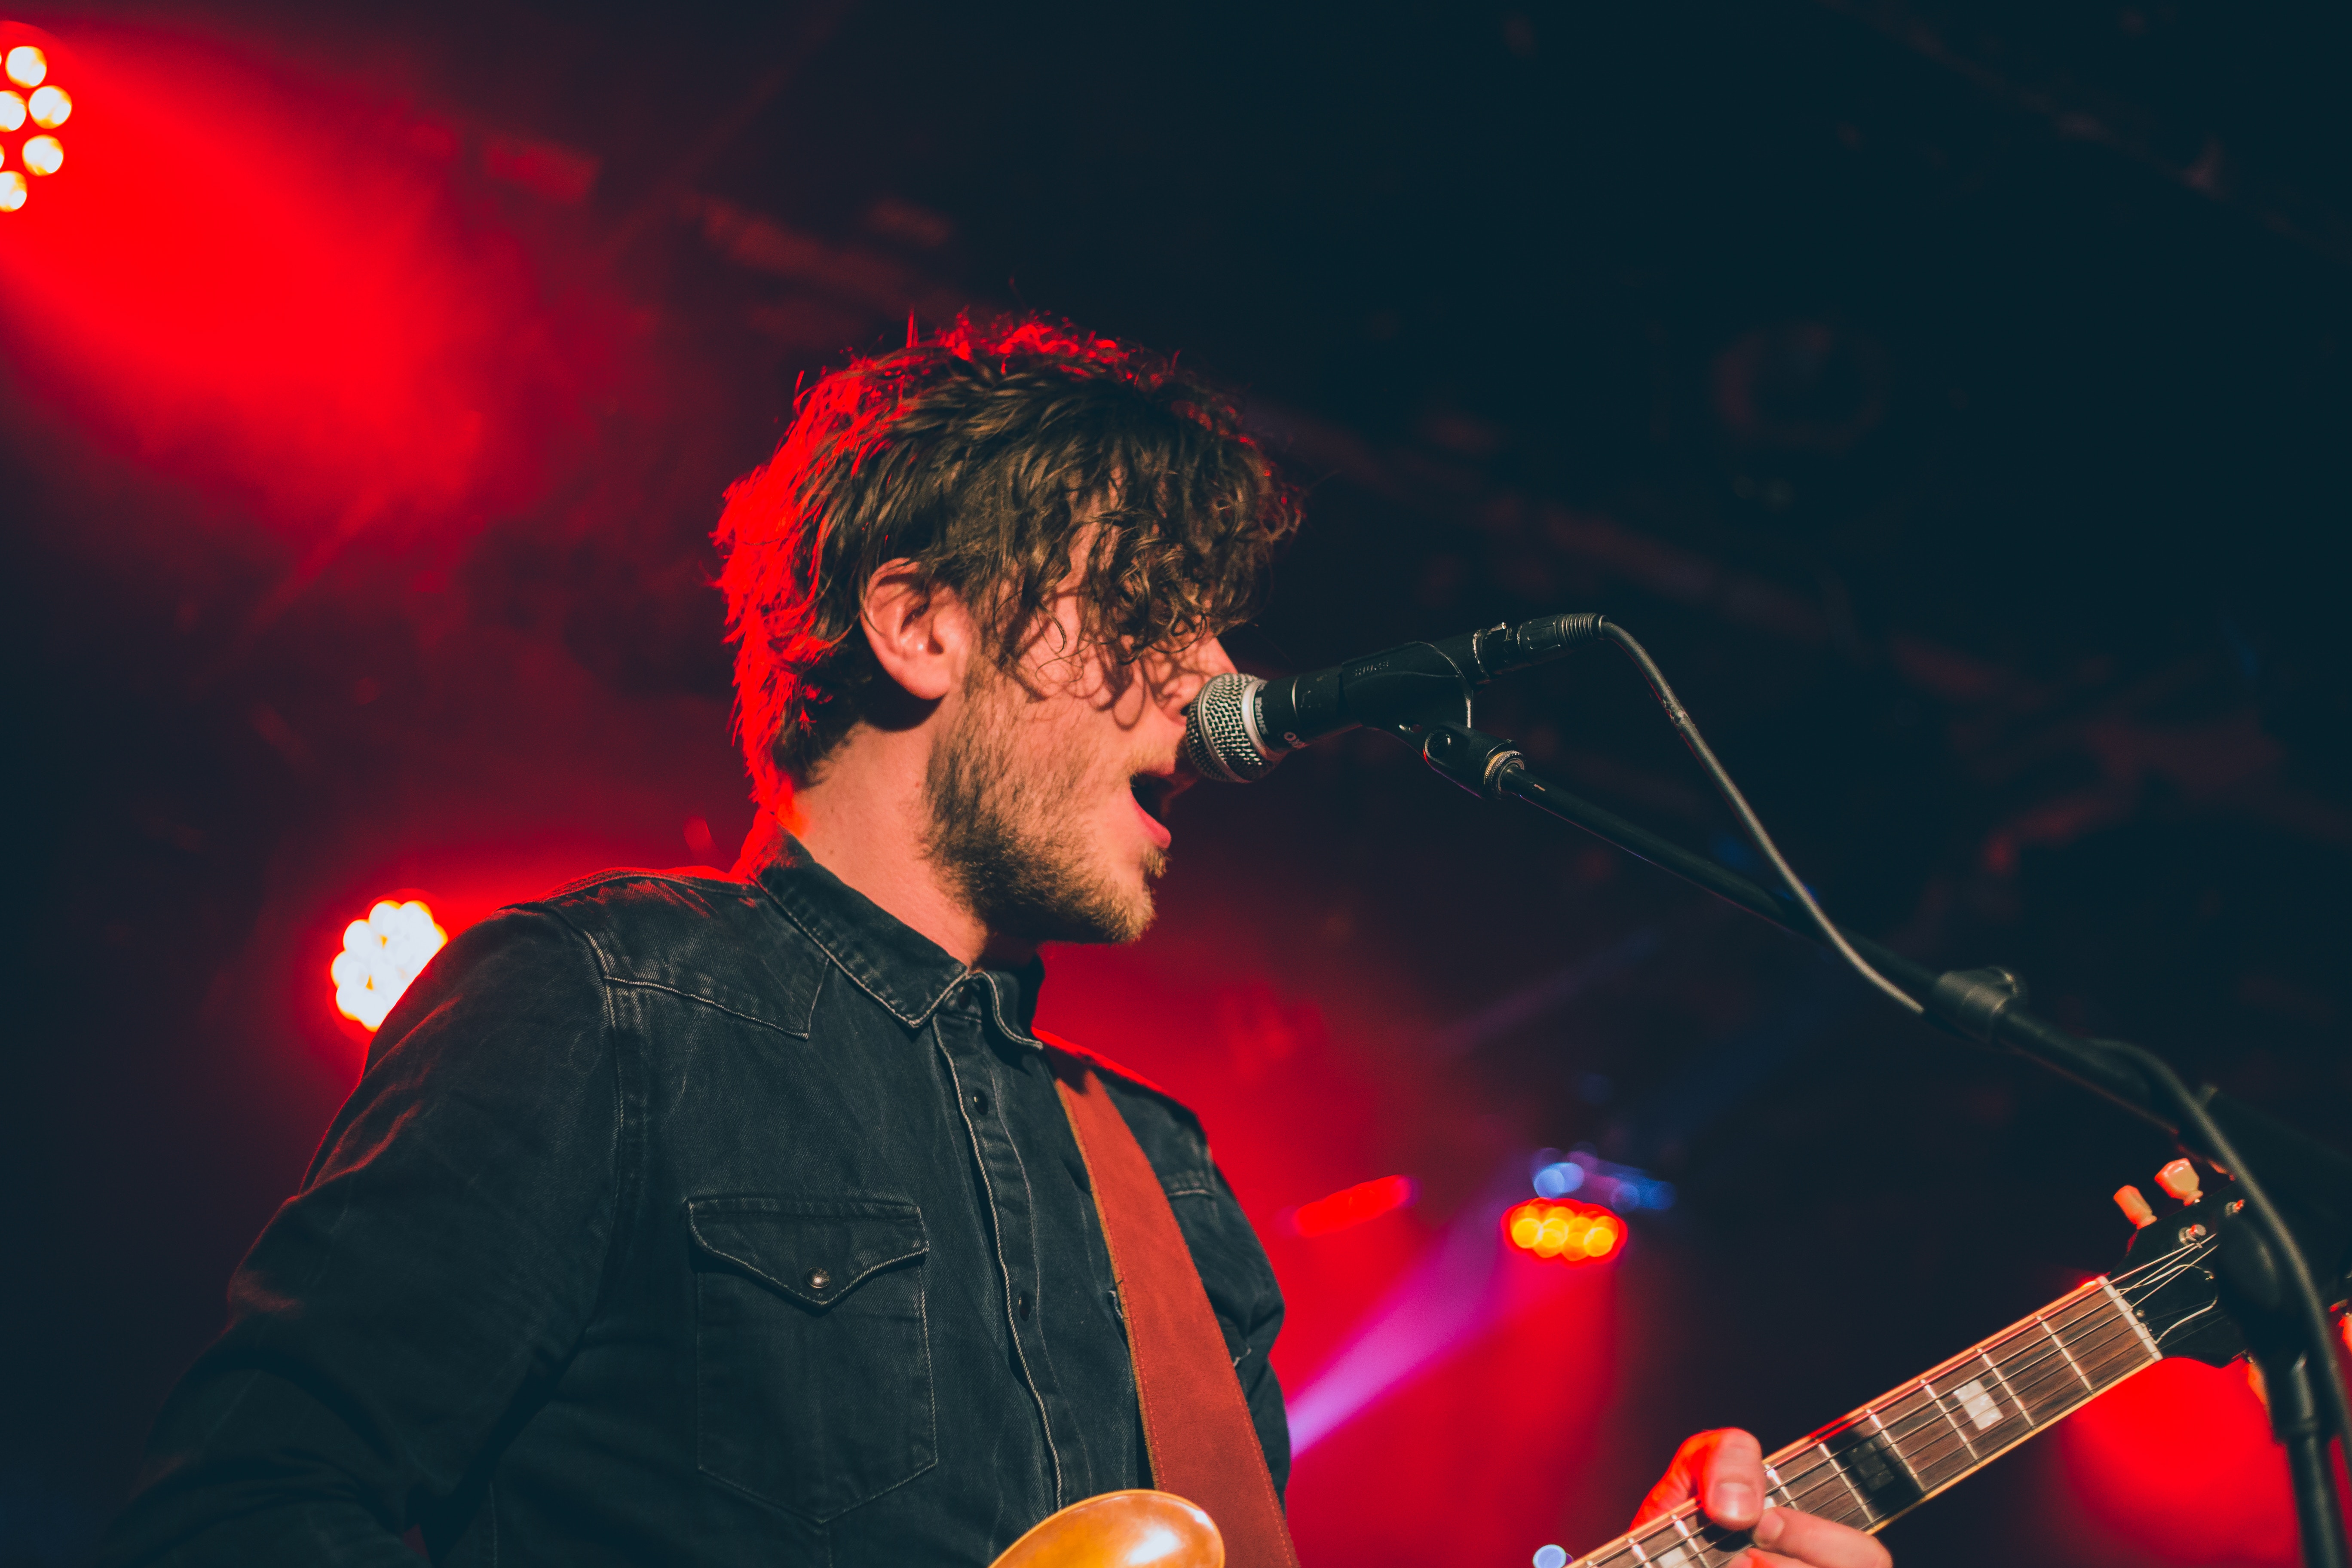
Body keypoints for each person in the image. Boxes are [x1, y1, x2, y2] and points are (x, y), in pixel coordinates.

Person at [100, 317, 1889, 1568]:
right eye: (1141, 619)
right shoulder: (605, 1002)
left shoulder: (1167, 1181)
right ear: (921, 627)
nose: (1207, 684)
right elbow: (242, 1509)